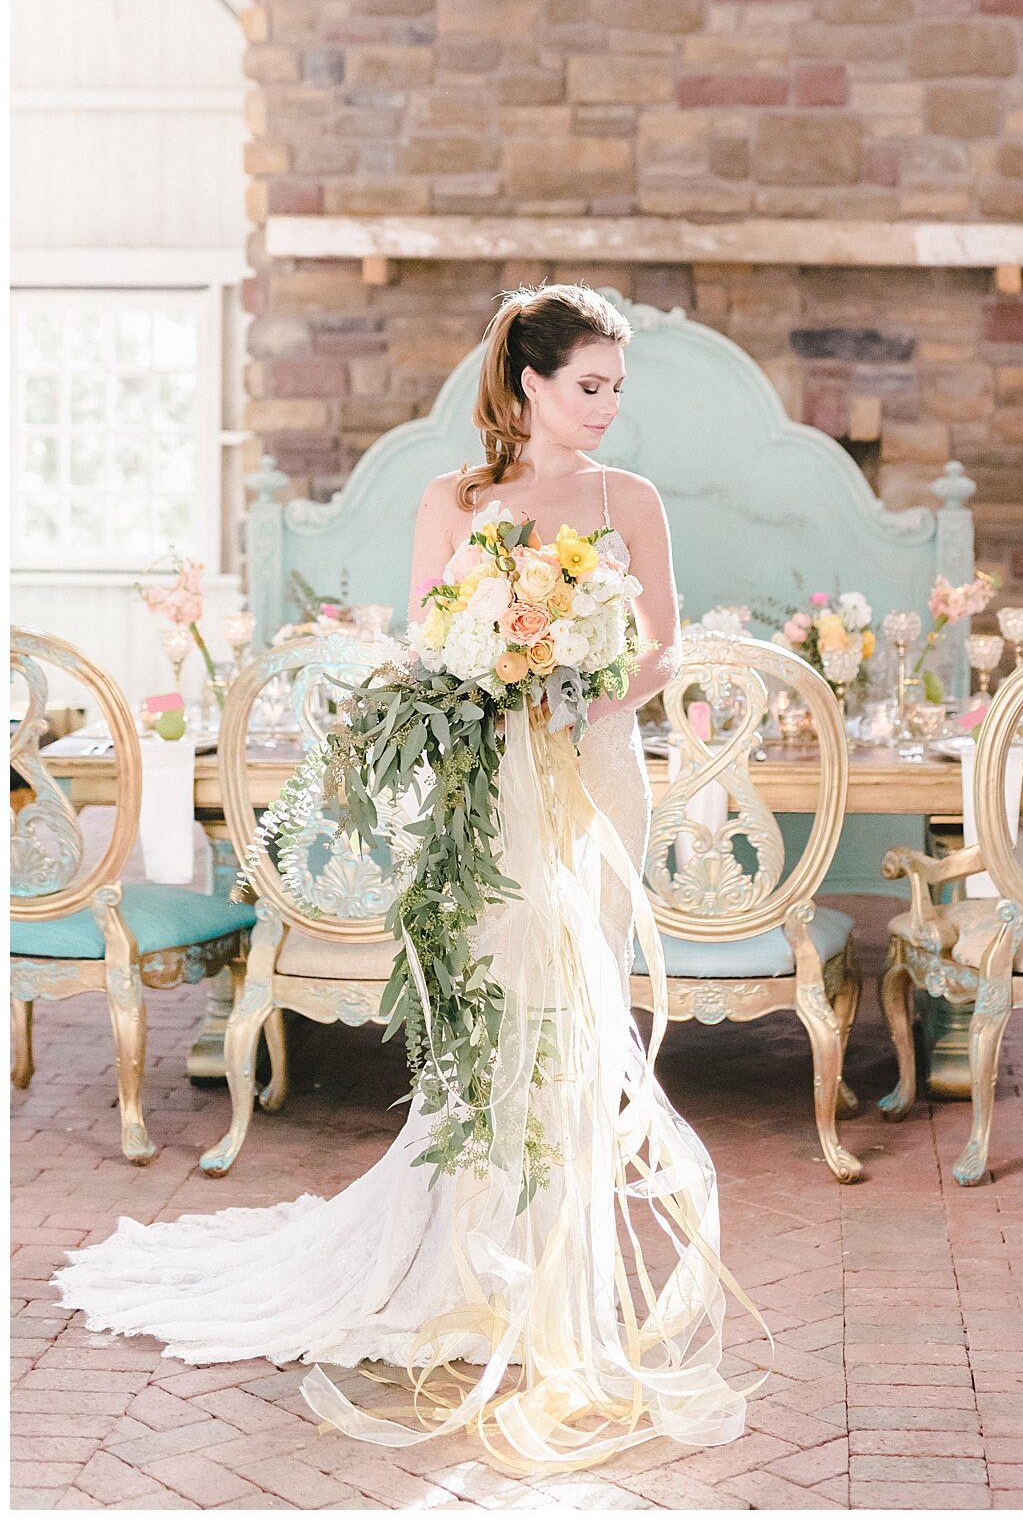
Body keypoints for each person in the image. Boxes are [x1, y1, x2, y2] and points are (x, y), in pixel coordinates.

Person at [52, 283, 760, 1474]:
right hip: (492, 778)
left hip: (590, 768)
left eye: (616, 387)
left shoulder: (628, 499)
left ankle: (562, 1268)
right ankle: (473, 1259)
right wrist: (502, 660)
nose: (607, 408)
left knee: (579, 1003)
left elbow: (662, 648)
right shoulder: (457, 500)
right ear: (530, 381)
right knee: (495, 1001)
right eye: (589, 384)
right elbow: (435, 639)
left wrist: (584, 680)